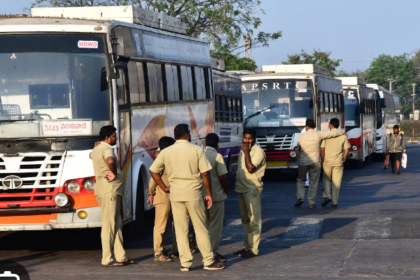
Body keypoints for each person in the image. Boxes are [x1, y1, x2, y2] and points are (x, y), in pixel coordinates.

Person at [149, 124, 224, 272]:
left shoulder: (166, 152)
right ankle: (208, 261)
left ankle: (185, 263)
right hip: (193, 193)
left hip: (176, 194)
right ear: (187, 135)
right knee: (201, 228)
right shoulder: (197, 150)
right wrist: (208, 193)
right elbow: (205, 173)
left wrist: (164, 187)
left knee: (181, 229)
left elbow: (153, 171)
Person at [90, 125, 136, 267]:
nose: (116, 138)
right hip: (109, 190)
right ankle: (107, 258)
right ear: (107, 137)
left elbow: (91, 155)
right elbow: (110, 161)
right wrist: (114, 173)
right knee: (109, 224)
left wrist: (96, 147)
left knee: (117, 223)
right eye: (114, 136)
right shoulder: (107, 149)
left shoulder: (97, 149)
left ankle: (121, 256)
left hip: (103, 190)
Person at [295, 118, 346, 208]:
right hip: (315, 162)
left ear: (306, 126)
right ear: (314, 127)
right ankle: (311, 203)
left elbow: (298, 150)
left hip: (303, 162)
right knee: (313, 182)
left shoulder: (301, 137)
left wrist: (299, 158)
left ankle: (300, 197)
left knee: (301, 180)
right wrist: (342, 132)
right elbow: (332, 133)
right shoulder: (318, 135)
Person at [234, 128, 266, 258]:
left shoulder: (257, 151)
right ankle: (247, 247)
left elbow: (251, 168)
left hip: (252, 190)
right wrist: (245, 151)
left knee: (254, 220)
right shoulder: (243, 150)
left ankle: (254, 249)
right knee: (245, 220)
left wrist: (246, 152)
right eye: (245, 138)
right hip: (241, 188)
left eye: (250, 138)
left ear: (255, 138)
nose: (247, 141)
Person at [147, 137, 176, 262]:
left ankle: (165, 250)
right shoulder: (161, 159)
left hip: (172, 196)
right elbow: (154, 177)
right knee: (161, 226)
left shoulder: (169, 157)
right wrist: (152, 193)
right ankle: (158, 253)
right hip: (162, 196)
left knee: (168, 225)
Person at [204, 133, 230, 263]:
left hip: (201, 196)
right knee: (215, 226)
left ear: (205, 143)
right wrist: (227, 190)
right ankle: (212, 252)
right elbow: (222, 177)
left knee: (205, 225)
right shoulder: (217, 156)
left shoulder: (200, 154)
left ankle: (206, 251)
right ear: (217, 144)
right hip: (215, 196)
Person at [320, 118, 350, 208]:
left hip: (327, 161)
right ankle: (335, 202)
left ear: (331, 125)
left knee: (326, 178)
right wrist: (344, 160)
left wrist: (323, 160)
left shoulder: (327, 136)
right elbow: (347, 150)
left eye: (329, 124)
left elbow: (322, 149)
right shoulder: (343, 136)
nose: (329, 126)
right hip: (338, 162)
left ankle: (327, 196)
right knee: (337, 183)